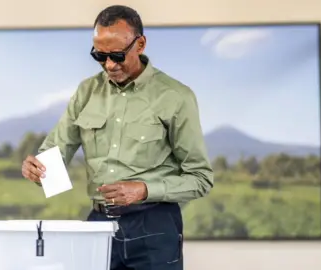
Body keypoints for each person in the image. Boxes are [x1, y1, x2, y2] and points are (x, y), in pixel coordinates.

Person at [21, 4, 214, 270]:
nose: (109, 65)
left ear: (141, 44)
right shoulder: (87, 92)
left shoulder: (176, 97)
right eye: (100, 55)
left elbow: (200, 179)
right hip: (99, 225)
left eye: (118, 55)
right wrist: (38, 169)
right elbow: (55, 152)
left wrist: (144, 190)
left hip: (154, 225)